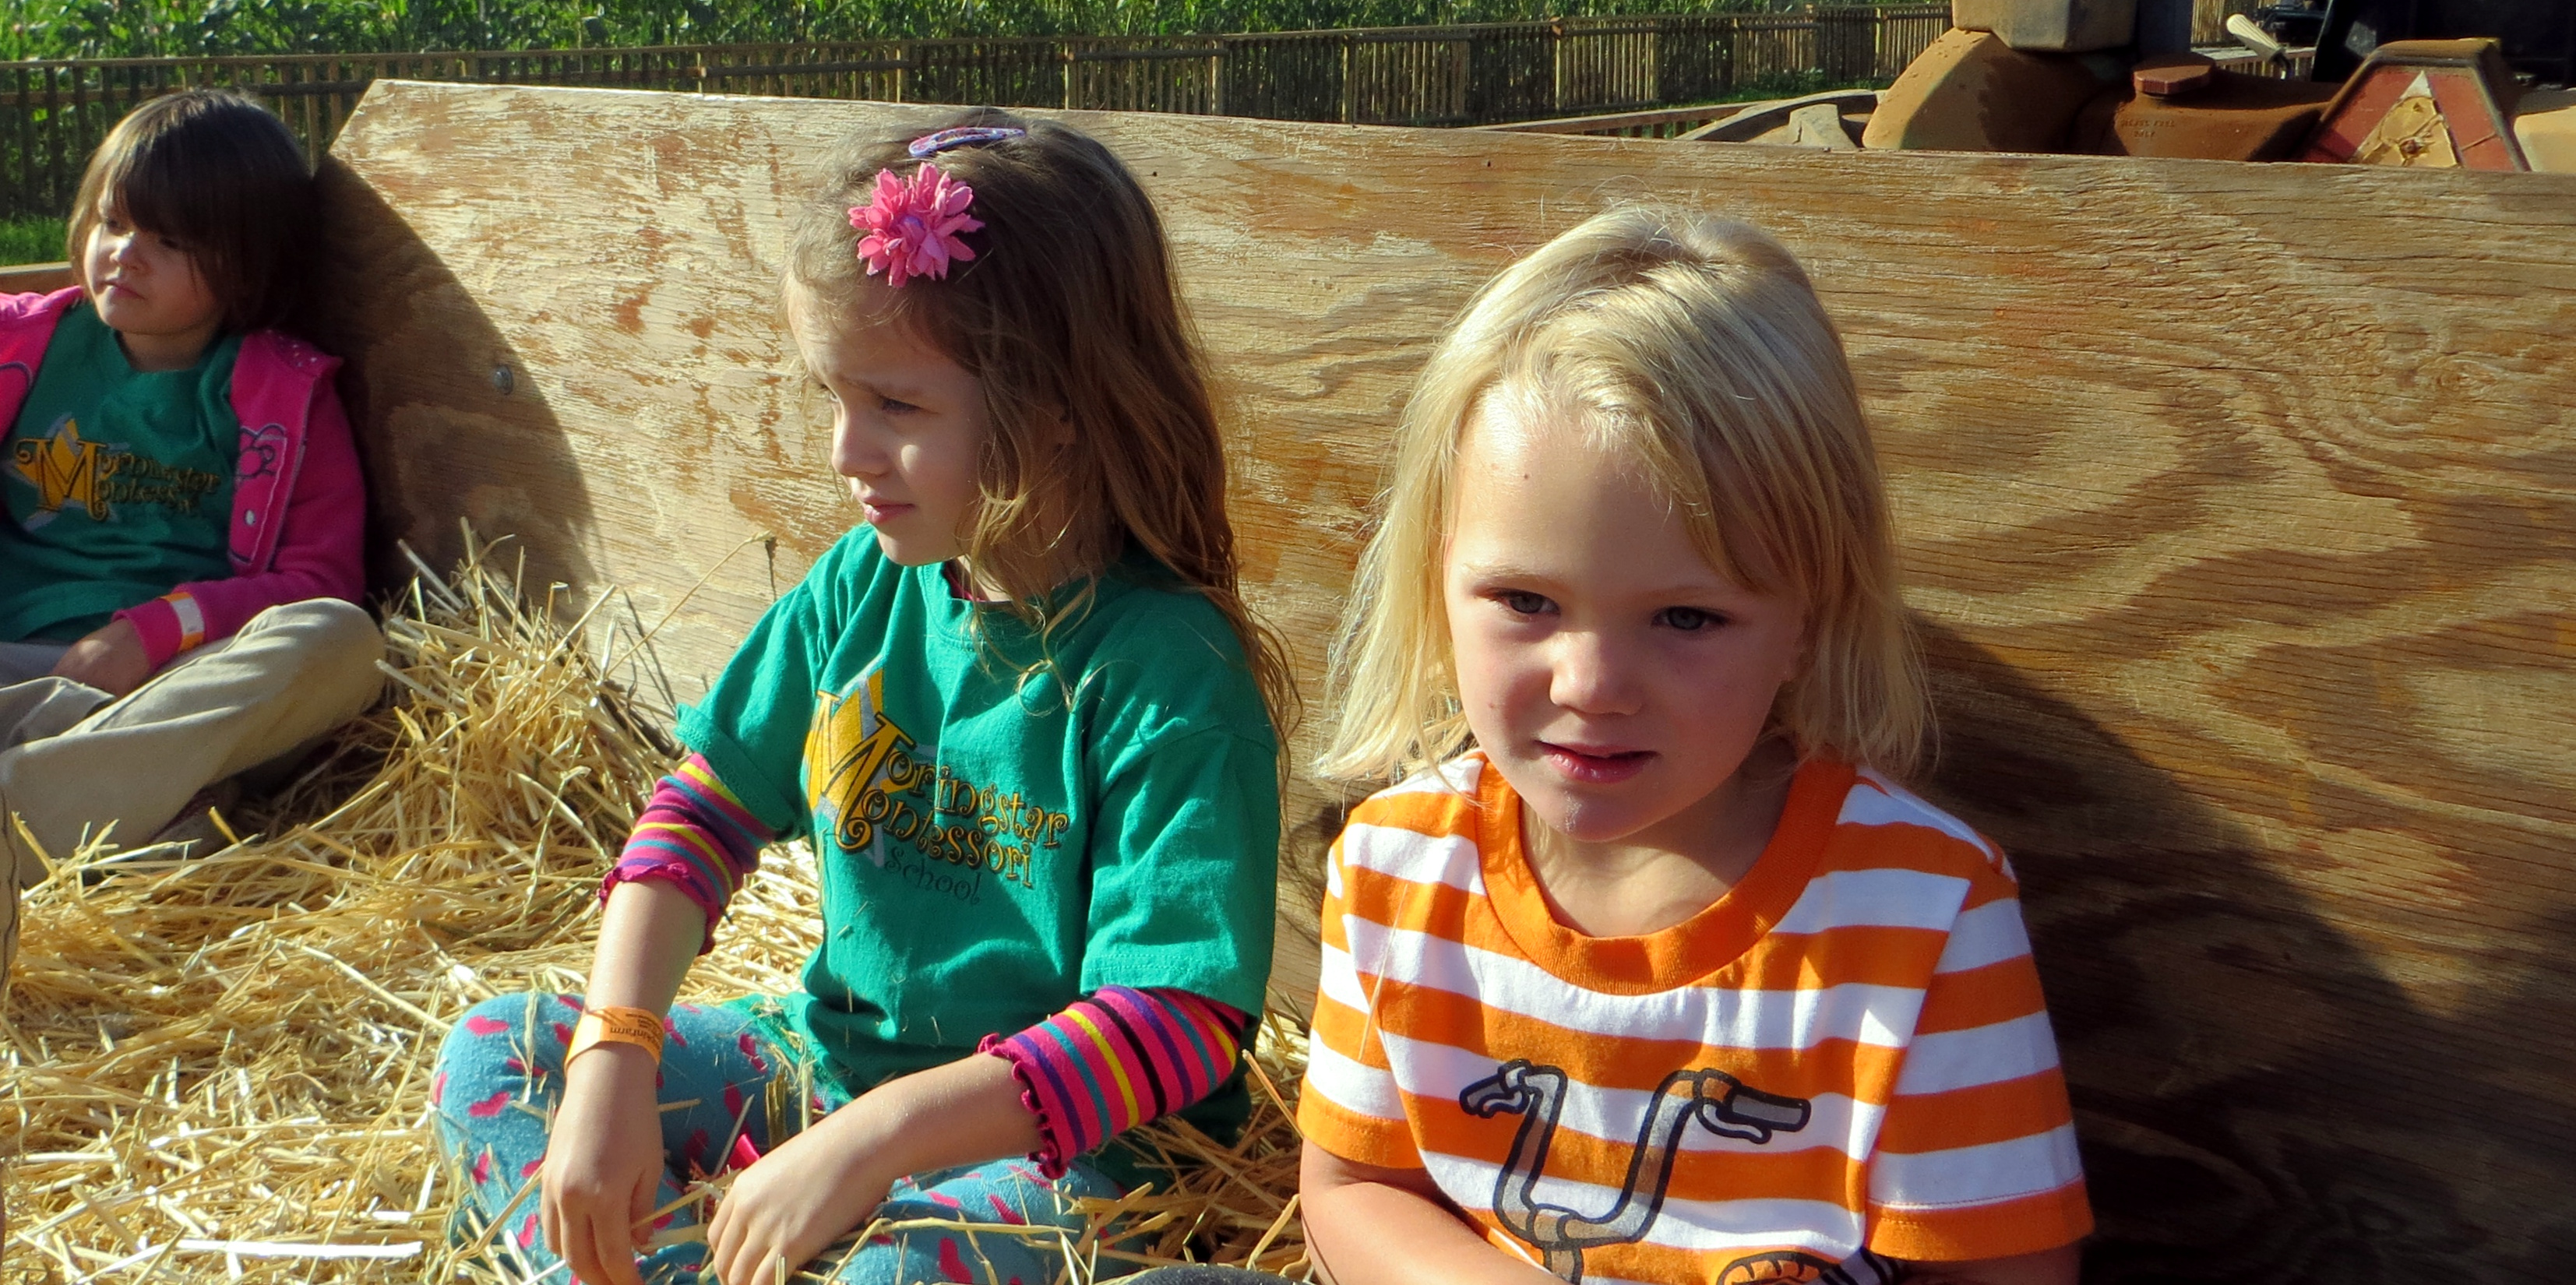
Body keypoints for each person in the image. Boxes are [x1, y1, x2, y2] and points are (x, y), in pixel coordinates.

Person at [432, 114, 1293, 1285]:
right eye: (834, 397)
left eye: (896, 406)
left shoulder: (1166, 671)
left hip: (1077, 1158)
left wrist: (872, 1143)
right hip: (832, 1070)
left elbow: (1173, 1026)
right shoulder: (864, 585)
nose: (847, 451)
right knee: (499, 1056)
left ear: (1056, 404)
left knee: (907, 1265)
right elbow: (700, 811)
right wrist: (614, 1053)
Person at [1295, 209, 2091, 1285]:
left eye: (1684, 617)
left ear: (1808, 616)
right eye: (1525, 600)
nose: (1590, 685)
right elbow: (1351, 1191)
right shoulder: (1396, 866)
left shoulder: (1920, 918)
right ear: (1436, 577)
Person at [0, 90, 381, 898]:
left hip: (174, 688)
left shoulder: (285, 396)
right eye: (113, 222)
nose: (124, 255)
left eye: (169, 240)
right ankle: (145, 820)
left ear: (250, 261)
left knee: (343, 641)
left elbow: (321, 580)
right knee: (188, 809)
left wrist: (155, 631)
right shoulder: (21, 348)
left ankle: (33, 821)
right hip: (17, 668)